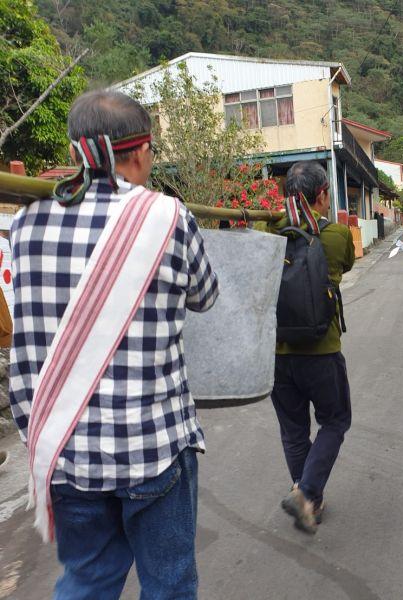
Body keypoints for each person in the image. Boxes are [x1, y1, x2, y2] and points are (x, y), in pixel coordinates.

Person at [9, 90, 218, 599]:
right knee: (168, 583)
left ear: (78, 152)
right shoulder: (168, 217)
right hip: (152, 447)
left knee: (88, 579)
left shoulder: (25, 223)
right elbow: (206, 296)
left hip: (64, 448)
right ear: (141, 151)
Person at [269, 161, 355, 534]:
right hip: (321, 351)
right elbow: (347, 264)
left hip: (277, 354)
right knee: (335, 421)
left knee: (293, 430)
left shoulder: (268, 230)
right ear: (322, 195)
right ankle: (306, 493)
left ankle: (308, 496)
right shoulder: (335, 236)